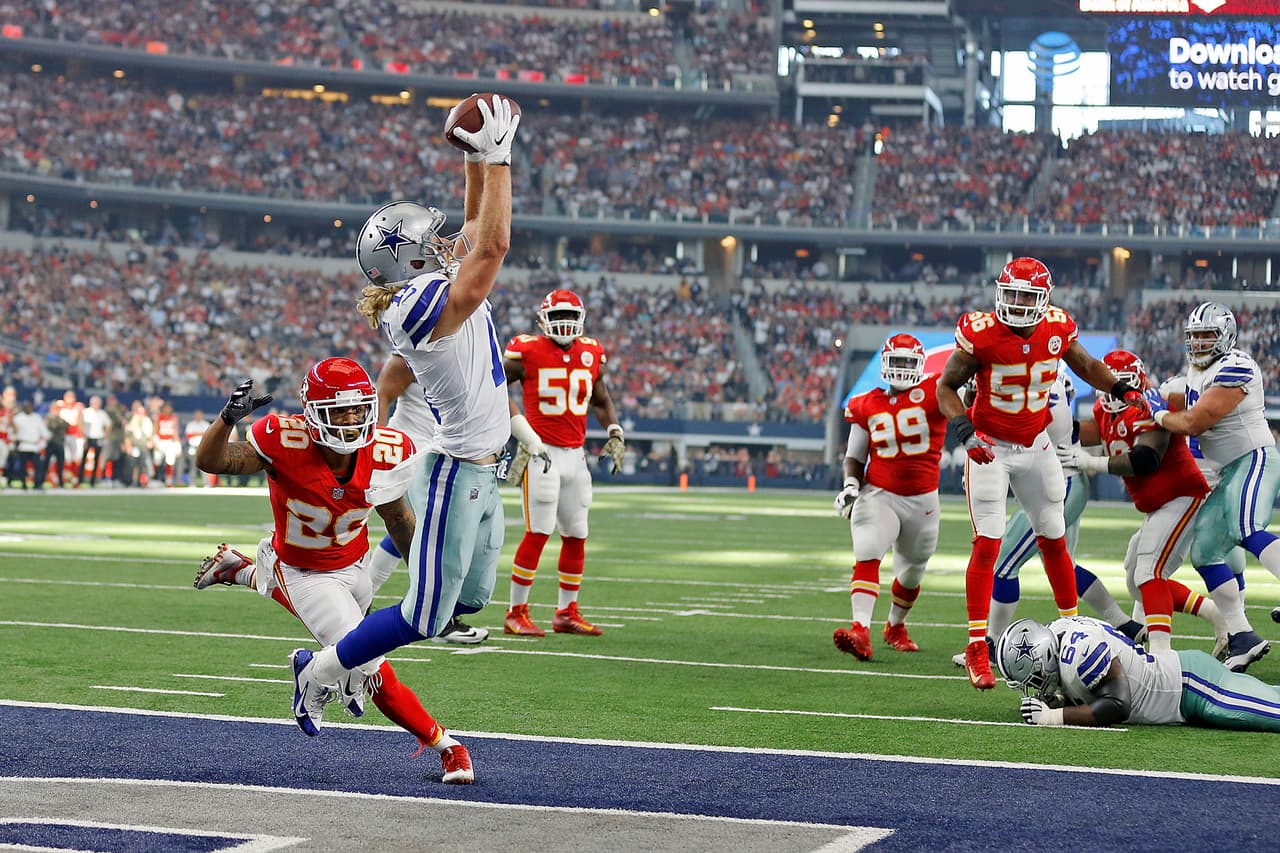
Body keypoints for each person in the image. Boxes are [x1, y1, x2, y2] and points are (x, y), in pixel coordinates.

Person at [290, 93, 520, 742]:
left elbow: (478, 228)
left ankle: (372, 603)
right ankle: (320, 668)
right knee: (425, 614)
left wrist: (476, 157)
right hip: (454, 468)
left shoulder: (420, 286)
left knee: (469, 600)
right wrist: (499, 155)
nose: (448, 242)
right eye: (432, 241)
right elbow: (493, 242)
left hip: (484, 468)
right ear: (411, 259)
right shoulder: (414, 305)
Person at [194, 358, 474, 784]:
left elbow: (398, 519)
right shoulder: (283, 440)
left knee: (353, 659)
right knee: (370, 667)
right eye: (338, 411)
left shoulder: (385, 451)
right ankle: (446, 746)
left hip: (355, 566)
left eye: (358, 409)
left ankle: (240, 571)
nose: (350, 420)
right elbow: (215, 462)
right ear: (311, 414)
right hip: (305, 570)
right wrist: (226, 421)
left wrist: (426, 581)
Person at [936, 256, 1148, 690]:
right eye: (1009, 294)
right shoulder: (981, 333)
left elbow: (1086, 365)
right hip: (990, 448)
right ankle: (979, 646)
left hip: (1036, 446)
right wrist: (964, 431)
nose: (1015, 303)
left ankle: (1071, 628)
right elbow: (945, 387)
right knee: (989, 543)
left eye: (1024, 296)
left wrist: (1120, 388)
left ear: (1043, 300)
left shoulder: (1057, 327)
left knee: (1052, 537)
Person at [947, 372, 1149, 668]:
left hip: (1059, 481)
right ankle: (1122, 623)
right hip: (1066, 481)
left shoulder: (1028, 382)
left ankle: (991, 641)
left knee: (1004, 564)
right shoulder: (1042, 377)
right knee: (1062, 561)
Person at [1146, 302, 1274, 672]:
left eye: (1207, 336)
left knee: (1246, 526)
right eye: (1195, 337)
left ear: (1226, 337)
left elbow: (1195, 422)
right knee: (1205, 551)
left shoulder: (1238, 365)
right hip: (1226, 473)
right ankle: (1242, 635)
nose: (1200, 343)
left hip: (1254, 459)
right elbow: (1173, 395)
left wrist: (1158, 412)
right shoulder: (1192, 373)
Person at [1074, 350, 1223, 653]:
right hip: (1159, 504)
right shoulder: (1105, 412)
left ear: (1137, 382)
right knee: (1134, 577)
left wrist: (1093, 464)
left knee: (1148, 574)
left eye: (1121, 383)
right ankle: (1216, 615)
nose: (1112, 391)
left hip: (1182, 495)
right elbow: (1078, 431)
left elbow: (1146, 459)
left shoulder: (1149, 405)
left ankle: (1159, 654)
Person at [501, 287, 625, 637]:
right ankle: (516, 612)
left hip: (576, 454)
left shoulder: (591, 352)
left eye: (571, 317)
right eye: (559, 317)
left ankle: (566, 612)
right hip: (541, 453)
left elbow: (601, 399)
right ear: (544, 320)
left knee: (577, 533)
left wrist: (614, 430)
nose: (566, 324)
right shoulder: (526, 350)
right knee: (538, 532)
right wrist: (520, 431)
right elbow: (493, 386)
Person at [831, 333, 947, 660]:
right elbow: (854, 455)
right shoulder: (866, 402)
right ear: (884, 363)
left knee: (912, 571)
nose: (900, 368)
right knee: (867, 550)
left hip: (923, 499)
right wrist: (852, 485)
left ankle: (894, 626)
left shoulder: (936, 391)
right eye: (895, 361)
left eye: (907, 362)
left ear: (920, 365)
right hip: (879, 492)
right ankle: (860, 630)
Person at [365, 352, 488, 644]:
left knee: (416, 531)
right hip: (409, 453)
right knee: (434, 536)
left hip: (440, 454)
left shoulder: (465, 353)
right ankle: (438, 617)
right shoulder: (410, 355)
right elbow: (381, 395)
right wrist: (378, 445)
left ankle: (362, 598)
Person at [997, 615, 1280, 731]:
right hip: (1181, 685)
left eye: (1031, 677)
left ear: (1044, 655)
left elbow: (1118, 706)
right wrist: (1061, 699)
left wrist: (1052, 717)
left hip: (1191, 684)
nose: (1032, 685)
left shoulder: (1079, 652)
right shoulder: (1060, 632)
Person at [10, 401, 48, 488]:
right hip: (22, 446)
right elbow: (13, 432)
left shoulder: (37, 417)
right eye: (27, 407)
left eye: (30, 407)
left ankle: (37, 484)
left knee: (38, 466)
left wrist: (43, 443)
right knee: (22, 467)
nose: (29, 409)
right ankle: (23, 483)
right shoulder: (18, 418)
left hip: (35, 446)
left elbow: (44, 432)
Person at [79, 395, 110, 487]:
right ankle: (80, 480)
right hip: (88, 437)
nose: (97, 404)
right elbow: (80, 422)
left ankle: (93, 481)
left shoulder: (102, 413)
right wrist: (83, 434)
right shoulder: (86, 412)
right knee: (84, 459)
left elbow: (109, 424)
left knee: (96, 460)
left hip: (98, 437)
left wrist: (105, 434)